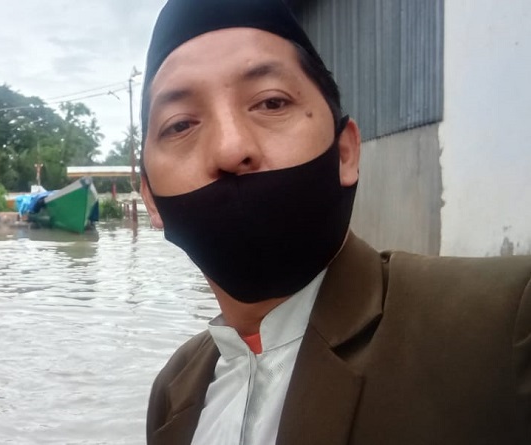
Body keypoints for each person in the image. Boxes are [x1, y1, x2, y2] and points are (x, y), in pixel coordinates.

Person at [139, 1, 531, 444]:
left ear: (345, 152)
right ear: (151, 198)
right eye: (180, 125)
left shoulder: (505, 327)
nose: (231, 148)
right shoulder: (173, 390)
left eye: (271, 102)